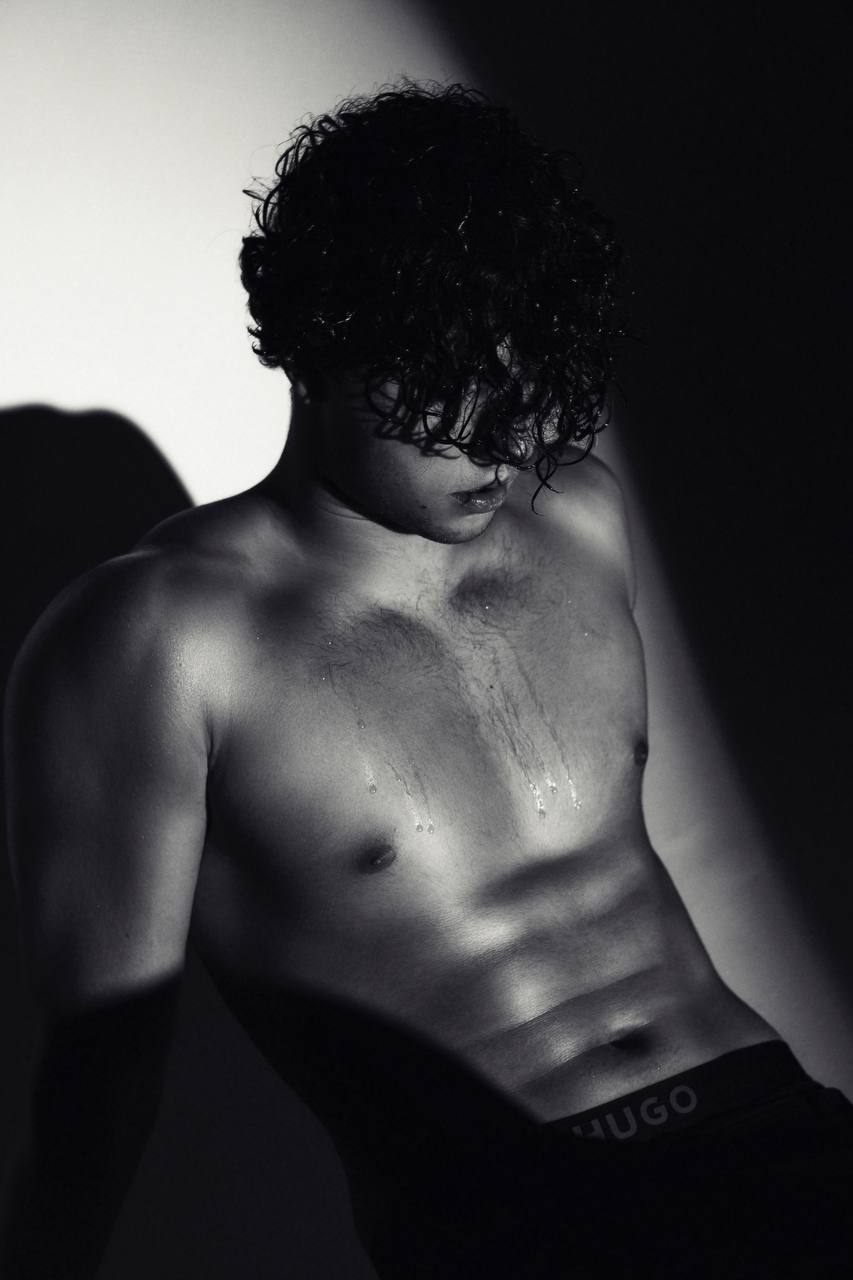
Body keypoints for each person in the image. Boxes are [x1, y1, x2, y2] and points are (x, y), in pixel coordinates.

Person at [1, 82, 851, 1279]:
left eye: (527, 372)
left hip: (782, 1136)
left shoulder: (579, 517)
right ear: (317, 343)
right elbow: (102, 1063)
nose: (506, 434)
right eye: (446, 379)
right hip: (523, 1217)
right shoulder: (155, 638)